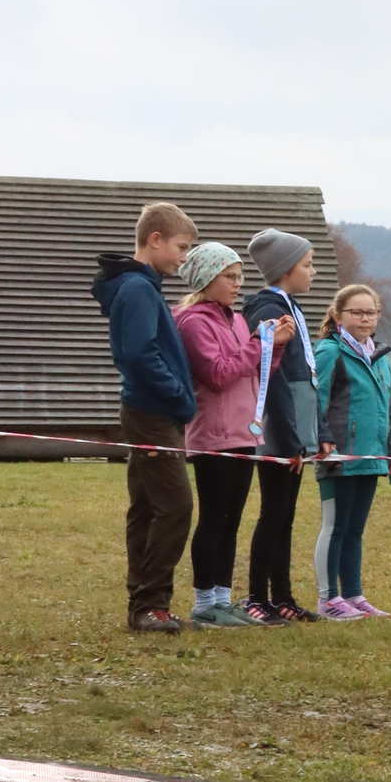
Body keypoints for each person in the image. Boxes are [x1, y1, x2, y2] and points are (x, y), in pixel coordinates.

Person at [92, 201, 198, 636]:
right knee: (175, 507)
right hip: (152, 412)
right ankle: (151, 604)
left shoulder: (144, 286)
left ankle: (143, 604)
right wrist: (176, 393)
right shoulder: (137, 289)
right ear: (155, 240)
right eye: (181, 247)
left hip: (152, 411)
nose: (183, 257)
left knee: (147, 507)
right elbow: (138, 354)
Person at [172, 240, 261, 628]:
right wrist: (259, 344)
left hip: (244, 432)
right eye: (229, 276)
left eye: (239, 276)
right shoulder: (193, 323)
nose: (237, 284)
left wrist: (271, 349)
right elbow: (219, 374)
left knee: (232, 520)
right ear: (206, 278)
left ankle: (223, 600)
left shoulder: (237, 320)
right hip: (214, 434)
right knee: (214, 518)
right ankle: (204, 602)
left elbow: (250, 372)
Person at [312, 282, 391, 618]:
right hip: (338, 459)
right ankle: (328, 599)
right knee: (335, 527)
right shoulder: (330, 352)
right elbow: (315, 401)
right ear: (339, 315)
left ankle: (353, 595)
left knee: (355, 530)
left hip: (372, 457)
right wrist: (322, 440)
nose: (365, 318)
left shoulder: (380, 358)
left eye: (371, 312)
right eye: (356, 312)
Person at [244, 229, 321, 623]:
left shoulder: (293, 307)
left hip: (296, 431)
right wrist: (289, 439)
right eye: (307, 265)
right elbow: (271, 377)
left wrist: (316, 433)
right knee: (273, 512)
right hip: (278, 431)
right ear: (286, 269)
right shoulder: (268, 309)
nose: (313, 271)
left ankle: (283, 596)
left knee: (286, 515)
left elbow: (306, 375)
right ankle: (257, 597)